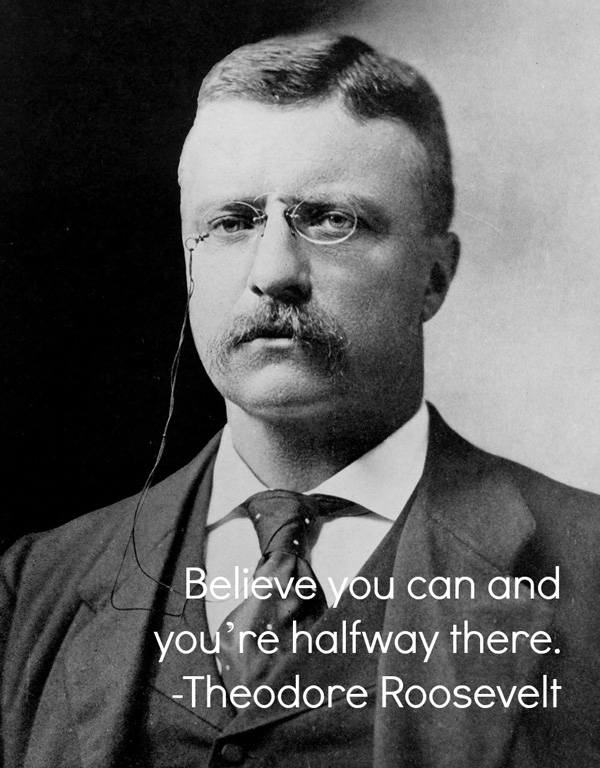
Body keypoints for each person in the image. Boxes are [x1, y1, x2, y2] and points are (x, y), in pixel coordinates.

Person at [1, 33, 599, 768]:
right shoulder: (36, 586)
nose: (274, 272)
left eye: (330, 219)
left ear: (434, 277)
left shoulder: (588, 566)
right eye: (232, 222)